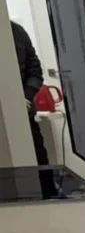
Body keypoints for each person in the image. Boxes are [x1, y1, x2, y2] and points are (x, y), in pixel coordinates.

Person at [10, 21, 47, 166]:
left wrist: (25, 98)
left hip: (25, 114)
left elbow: (35, 71)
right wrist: (10, 101)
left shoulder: (16, 30)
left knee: (40, 163)